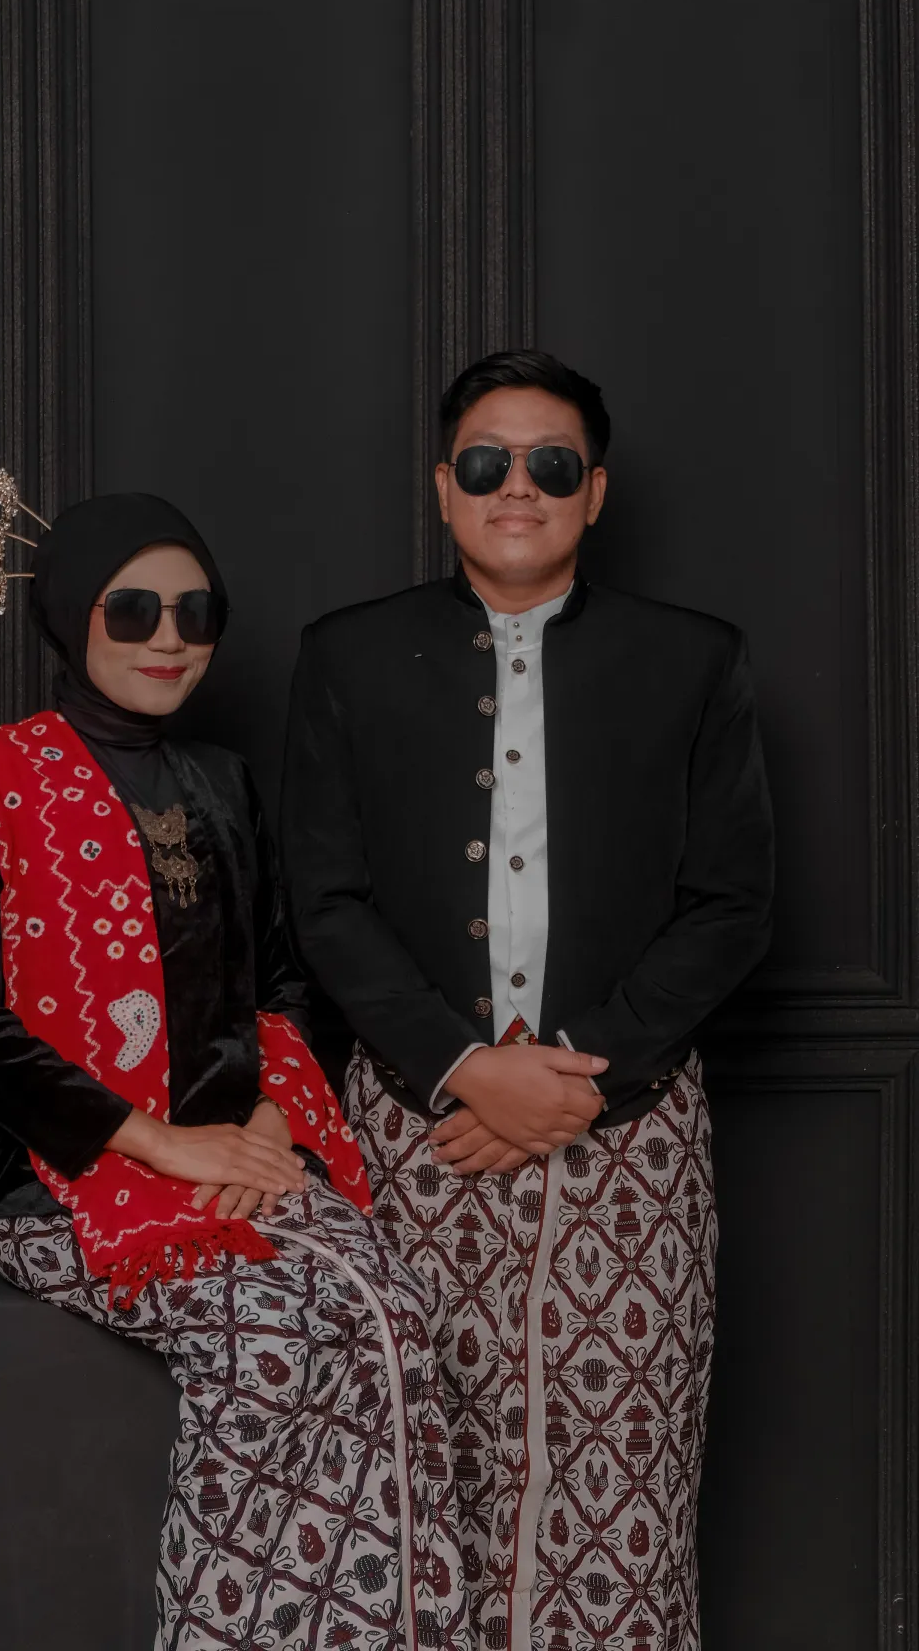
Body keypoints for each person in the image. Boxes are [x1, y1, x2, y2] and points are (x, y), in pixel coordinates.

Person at [0, 490, 471, 1651]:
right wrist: (161, 1144)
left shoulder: (223, 785)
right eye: (133, 610)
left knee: (396, 1319)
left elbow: (283, 984)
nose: (168, 638)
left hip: (243, 1159)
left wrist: (269, 1123)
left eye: (195, 612)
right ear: (71, 616)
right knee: (270, 1342)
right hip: (70, 1189)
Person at [280, 351, 774, 1651]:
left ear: (595, 492)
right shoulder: (346, 655)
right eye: (487, 463)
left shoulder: (692, 659)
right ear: (444, 486)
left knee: (624, 1492)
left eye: (552, 464)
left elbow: (732, 905)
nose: (519, 488)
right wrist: (463, 1066)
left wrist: (576, 1075)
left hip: (631, 1133)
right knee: (410, 1483)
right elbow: (323, 901)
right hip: (415, 1129)